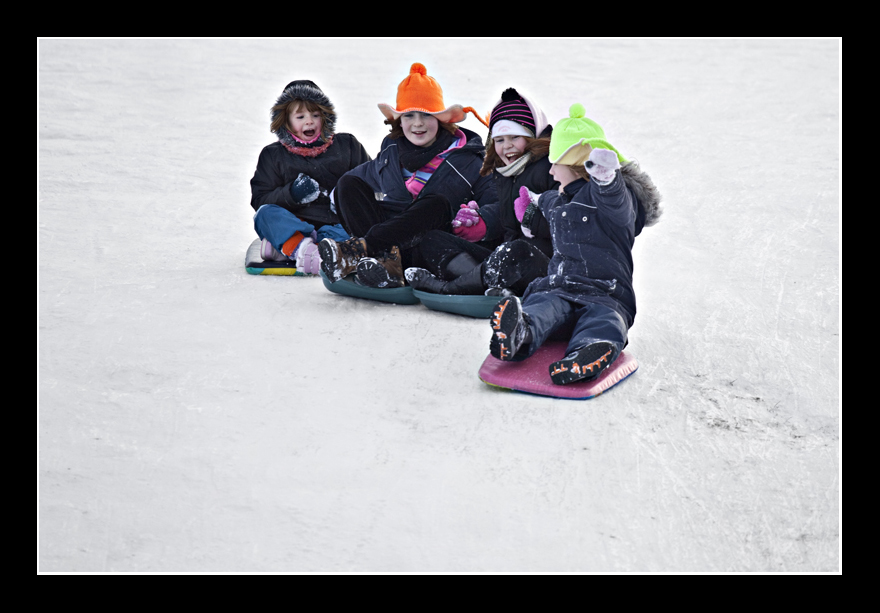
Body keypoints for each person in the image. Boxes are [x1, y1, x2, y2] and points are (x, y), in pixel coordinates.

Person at [488, 103, 662, 385]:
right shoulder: (558, 198)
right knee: (545, 305)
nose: (552, 171)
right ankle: (521, 332)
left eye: (556, 163)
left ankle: (589, 351)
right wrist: (529, 207)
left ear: (577, 167)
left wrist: (607, 180)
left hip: (606, 293)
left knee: (604, 319)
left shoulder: (607, 201)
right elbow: (542, 201)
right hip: (561, 286)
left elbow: (616, 203)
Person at [318, 63, 495, 288]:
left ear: (441, 119)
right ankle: (384, 263)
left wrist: (479, 219)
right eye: (409, 115)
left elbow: (495, 202)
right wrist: (339, 196)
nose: (418, 123)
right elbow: (361, 176)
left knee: (437, 203)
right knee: (347, 184)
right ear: (399, 121)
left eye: (426, 115)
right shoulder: (391, 152)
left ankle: (361, 251)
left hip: (429, 243)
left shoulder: (468, 158)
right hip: (392, 243)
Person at [404, 87, 560, 296]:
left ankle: (449, 288)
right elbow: (506, 223)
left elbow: (567, 222)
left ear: (532, 137)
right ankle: (488, 286)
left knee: (516, 250)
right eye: (500, 140)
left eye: (515, 137)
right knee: (433, 239)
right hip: (506, 257)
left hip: (543, 264)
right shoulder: (504, 172)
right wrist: (481, 219)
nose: (507, 147)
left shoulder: (551, 167)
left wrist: (531, 218)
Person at [250, 80, 371, 273]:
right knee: (264, 214)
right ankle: (301, 248)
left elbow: (371, 182)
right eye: (300, 116)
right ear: (286, 121)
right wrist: (292, 194)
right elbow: (260, 199)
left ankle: (285, 248)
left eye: (316, 115)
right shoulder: (273, 155)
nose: (309, 121)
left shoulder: (347, 145)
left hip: (337, 224)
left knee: (362, 231)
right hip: (295, 223)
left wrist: (345, 199)